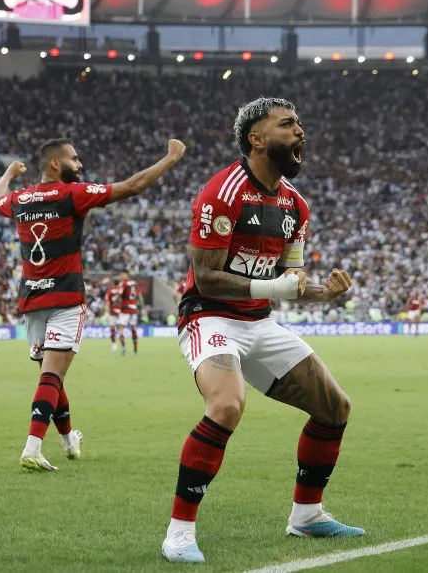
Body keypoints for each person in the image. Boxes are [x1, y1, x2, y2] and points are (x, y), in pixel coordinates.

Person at [160, 97, 363, 564]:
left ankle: (307, 515)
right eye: (287, 124)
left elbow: (291, 279)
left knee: (334, 407)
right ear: (256, 139)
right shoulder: (222, 191)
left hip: (258, 321)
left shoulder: (296, 204)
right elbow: (206, 277)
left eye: (299, 123)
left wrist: (321, 294)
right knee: (227, 404)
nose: (299, 131)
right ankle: (179, 533)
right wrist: (275, 287)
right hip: (208, 316)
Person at [0, 137, 186, 471]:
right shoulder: (72, 194)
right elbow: (133, 186)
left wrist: (9, 174)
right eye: (74, 159)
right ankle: (32, 448)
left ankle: (69, 440)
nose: (79, 165)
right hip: (65, 297)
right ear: (55, 164)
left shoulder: (21, 198)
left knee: (51, 376)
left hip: (32, 298)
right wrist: (171, 158)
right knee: (52, 374)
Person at [118, 270, 143, 355]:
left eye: (122, 274)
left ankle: (123, 348)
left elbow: (119, 295)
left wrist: (118, 303)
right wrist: (141, 305)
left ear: (127, 275)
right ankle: (135, 350)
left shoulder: (123, 284)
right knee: (133, 328)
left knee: (121, 328)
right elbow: (139, 295)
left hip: (125, 309)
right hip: (134, 308)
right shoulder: (134, 283)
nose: (120, 276)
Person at [105, 279, 125, 353]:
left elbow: (107, 303)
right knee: (121, 330)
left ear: (113, 283)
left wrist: (107, 313)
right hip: (121, 313)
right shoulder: (121, 291)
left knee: (112, 329)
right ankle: (123, 347)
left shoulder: (110, 291)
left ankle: (114, 345)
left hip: (112, 313)